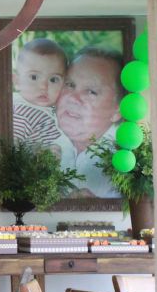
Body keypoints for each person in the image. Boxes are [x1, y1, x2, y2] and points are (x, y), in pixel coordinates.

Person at [55, 46, 124, 198]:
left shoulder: (128, 159)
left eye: (91, 92)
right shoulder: (36, 132)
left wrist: (97, 206)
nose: (73, 98)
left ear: (117, 111)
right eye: (70, 85)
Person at [12, 38, 70, 155]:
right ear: (17, 81)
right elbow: (9, 148)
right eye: (34, 77)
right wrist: (38, 154)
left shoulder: (44, 109)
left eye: (53, 79)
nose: (44, 86)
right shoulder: (23, 114)